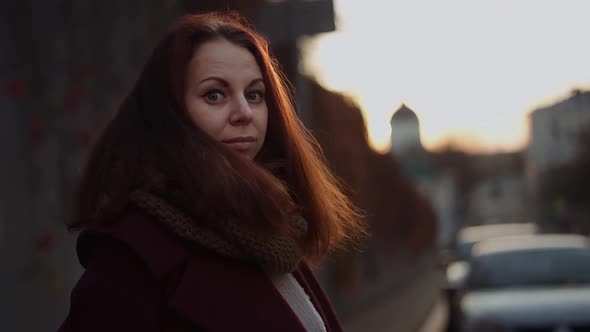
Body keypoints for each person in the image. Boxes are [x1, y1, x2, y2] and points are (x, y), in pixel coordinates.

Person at [58, 11, 363, 332]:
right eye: (214, 94)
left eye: (255, 94)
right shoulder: (134, 254)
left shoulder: (273, 232)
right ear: (168, 114)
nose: (245, 113)